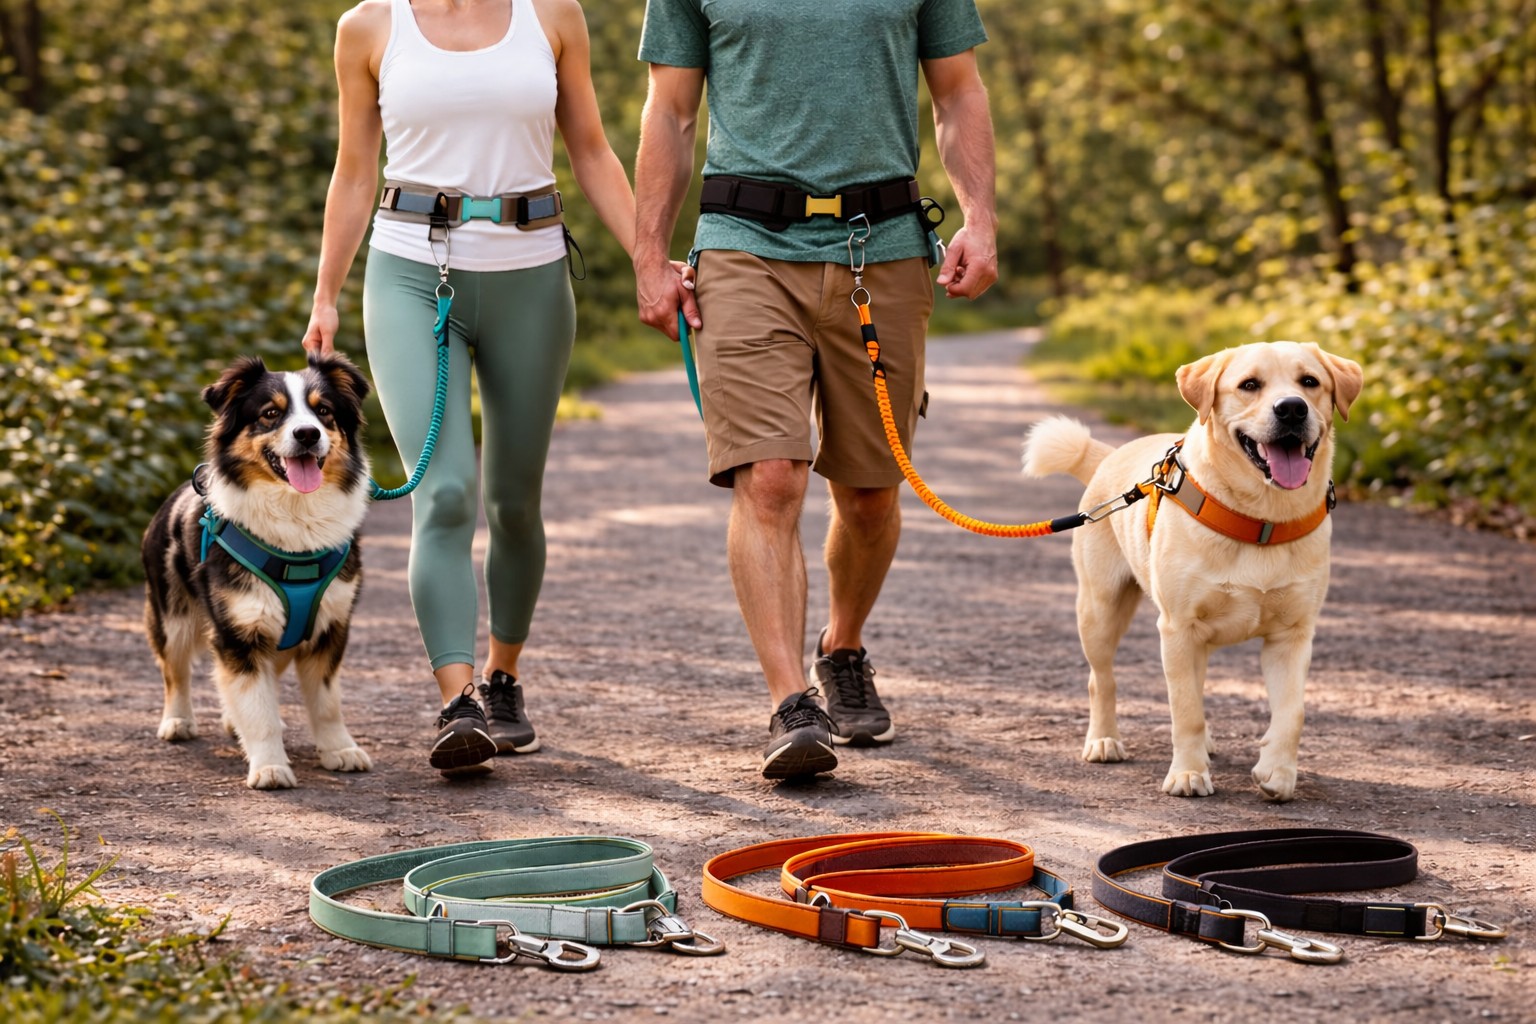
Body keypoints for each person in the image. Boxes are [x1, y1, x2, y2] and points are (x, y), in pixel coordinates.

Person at [632, 0, 999, 779]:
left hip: (885, 243)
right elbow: (670, 109)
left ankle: (842, 643)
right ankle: (792, 702)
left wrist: (981, 218)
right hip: (745, 245)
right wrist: (647, 255)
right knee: (769, 476)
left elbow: (959, 90)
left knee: (870, 493)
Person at [302, 0, 640, 774]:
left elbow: (589, 148)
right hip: (409, 274)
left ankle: (503, 675)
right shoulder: (368, 26)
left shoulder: (553, 15)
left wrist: (648, 260)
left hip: (532, 272)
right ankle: (458, 701)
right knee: (446, 490)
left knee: (514, 501)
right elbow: (355, 169)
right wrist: (326, 292)